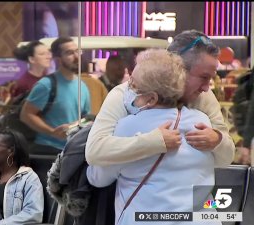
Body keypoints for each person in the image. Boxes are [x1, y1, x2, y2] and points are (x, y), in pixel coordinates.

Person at [87, 49, 220, 225]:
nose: (128, 89)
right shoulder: (202, 121)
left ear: (151, 98)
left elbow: (98, 178)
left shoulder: (127, 126)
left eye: (133, 85)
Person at [85, 30, 235, 168]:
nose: (206, 87)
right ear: (177, 68)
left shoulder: (203, 97)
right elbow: (94, 152)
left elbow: (227, 158)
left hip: (193, 195)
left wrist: (217, 140)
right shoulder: (125, 95)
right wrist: (153, 142)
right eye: (203, 77)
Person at [20, 37, 91, 155]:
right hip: (48, 149)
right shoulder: (46, 84)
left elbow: (86, 117)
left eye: (77, 51)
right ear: (58, 58)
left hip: (72, 150)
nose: (76, 57)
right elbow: (26, 115)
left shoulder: (82, 86)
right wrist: (52, 132)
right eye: (69, 53)